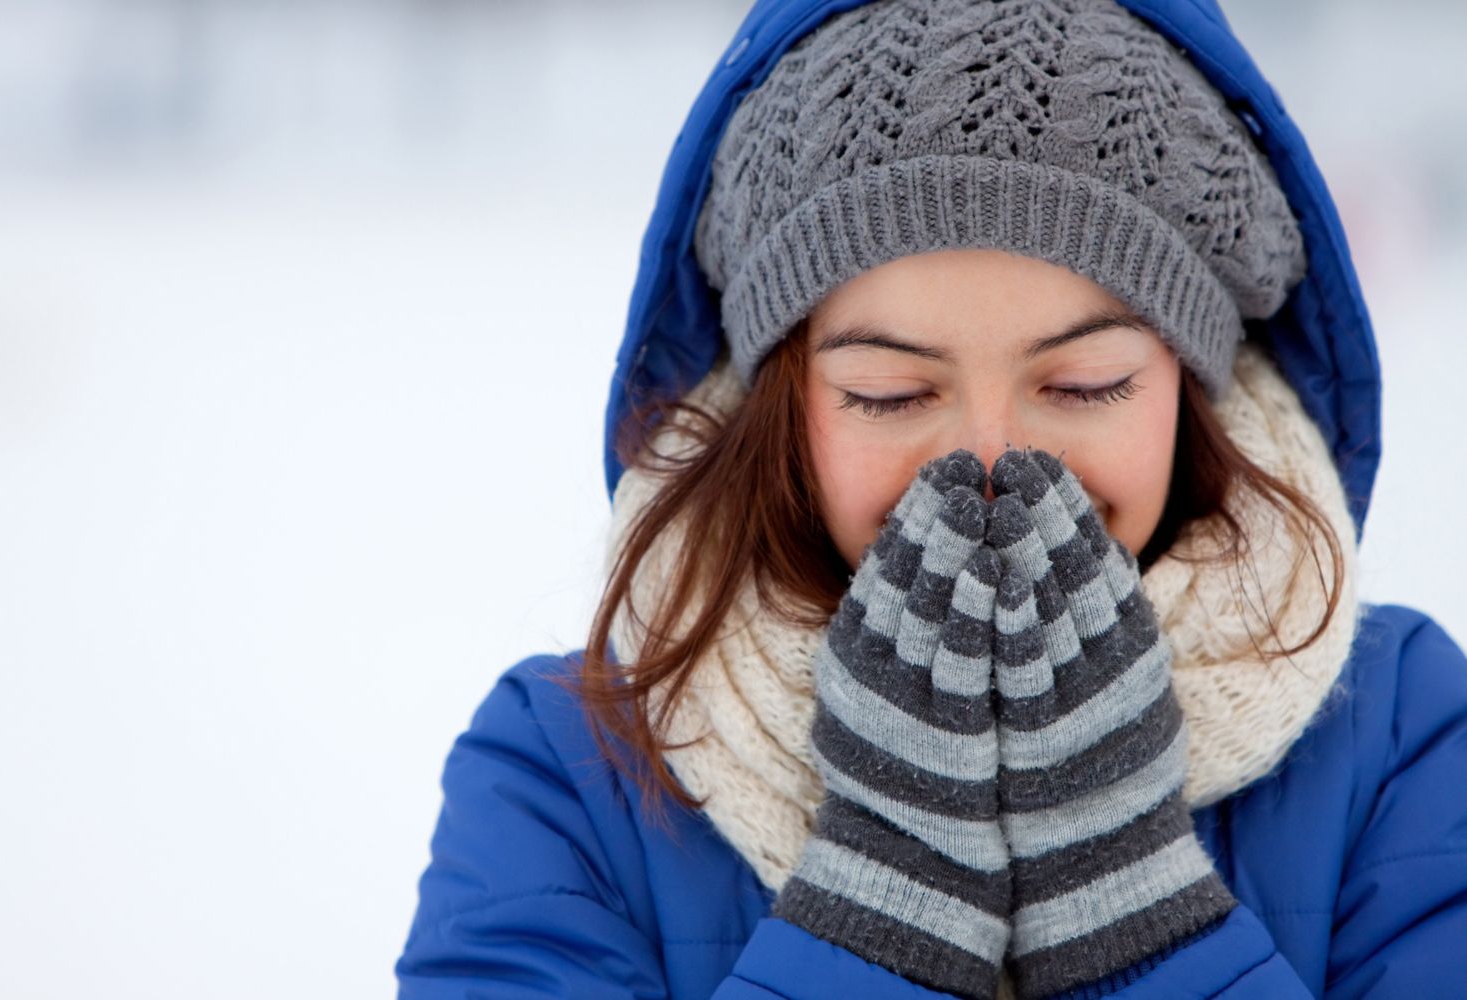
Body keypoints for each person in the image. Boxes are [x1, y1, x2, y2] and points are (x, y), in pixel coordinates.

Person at [395, 0, 1467, 997]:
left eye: (1086, 383)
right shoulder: (567, 777)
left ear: (1189, 386)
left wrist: (1136, 911)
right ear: (786, 402)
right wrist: (878, 912)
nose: (993, 462)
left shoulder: (1402, 737)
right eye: (891, 393)